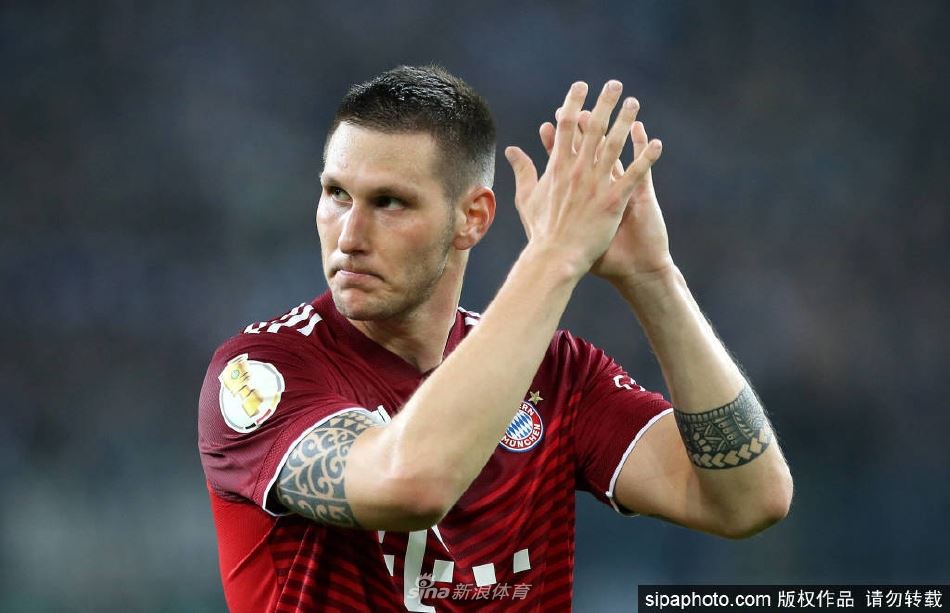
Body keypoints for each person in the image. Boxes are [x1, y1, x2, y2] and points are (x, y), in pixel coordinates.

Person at [198, 64, 793, 612]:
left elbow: (750, 500)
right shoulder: (261, 373)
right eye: (337, 195)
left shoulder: (556, 372)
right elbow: (410, 484)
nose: (349, 235)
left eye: (389, 202)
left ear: (473, 218)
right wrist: (554, 254)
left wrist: (653, 277)